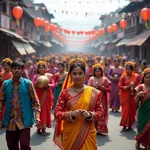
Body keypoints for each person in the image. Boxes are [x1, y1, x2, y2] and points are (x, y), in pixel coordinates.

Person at [53, 58, 104, 150]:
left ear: (85, 75)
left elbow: (100, 112)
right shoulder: (65, 93)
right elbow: (56, 113)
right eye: (74, 74)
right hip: (70, 133)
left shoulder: (93, 92)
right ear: (70, 76)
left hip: (87, 132)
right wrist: (71, 114)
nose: (77, 76)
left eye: (80, 73)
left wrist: (90, 114)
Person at [0, 60, 40, 150]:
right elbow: (1, 101)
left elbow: (35, 102)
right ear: (11, 70)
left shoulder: (28, 84)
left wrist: (37, 116)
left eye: (19, 68)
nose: (17, 70)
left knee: (25, 145)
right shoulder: (5, 84)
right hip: (10, 121)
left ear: (22, 70)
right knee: (11, 145)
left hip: (24, 121)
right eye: (14, 68)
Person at [32, 61, 55, 136]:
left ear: (45, 68)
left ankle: (44, 129)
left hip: (46, 96)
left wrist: (49, 85)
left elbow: (53, 84)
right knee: (38, 111)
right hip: (38, 96)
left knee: (45, 112)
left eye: (43, 67)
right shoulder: (36, 76)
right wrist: (37, 84)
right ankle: (38, 128)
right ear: (38, 69)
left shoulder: (49, 76)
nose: (41, 69)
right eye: (40, 67)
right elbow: (32, 85)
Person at [88, 64, 111, 135]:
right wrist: (94, 88)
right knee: (93, 113)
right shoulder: (91, 79)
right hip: (93, 98)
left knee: (101, 113)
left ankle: (100, 129)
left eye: (99, 71)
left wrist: (102, 87)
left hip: (102, 99)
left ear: (102, 72)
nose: (97, 73)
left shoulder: (105, 79)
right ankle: (93, 128)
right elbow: (88, 88)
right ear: (94, 72)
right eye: (96, 71)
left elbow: (109, 89)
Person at [119, 61, 140, 132]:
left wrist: (133, 87)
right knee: (125, 110)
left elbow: (138, 85)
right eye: (126, 69)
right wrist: (127, 87)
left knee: (131, 110)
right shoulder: (123, 77)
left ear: (132, 70)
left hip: (133, 95)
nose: (128, 70)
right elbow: (120, 86)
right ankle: (124, 125)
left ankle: (130, 124)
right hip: (125, 96)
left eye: (129, 69)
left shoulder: (136, 76)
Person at [134, 68, 150, 150]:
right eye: (146, 77)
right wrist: (138, 95)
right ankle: (138, 141)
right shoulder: (140, 87)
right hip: (142, 112)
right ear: (143, 78)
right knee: (141, 128)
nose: (148, 79)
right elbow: (135, 100)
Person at [0, 58, 13, 128]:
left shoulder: (11, 74)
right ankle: (1, 121)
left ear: (10, 66)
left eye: (6, 65)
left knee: (6, 108)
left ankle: (6, 121)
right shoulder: (1, 74)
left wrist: (3, 80)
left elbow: (11, 83)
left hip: (8, 93)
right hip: (0, 93)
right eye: (4, 65)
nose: (5, 67)